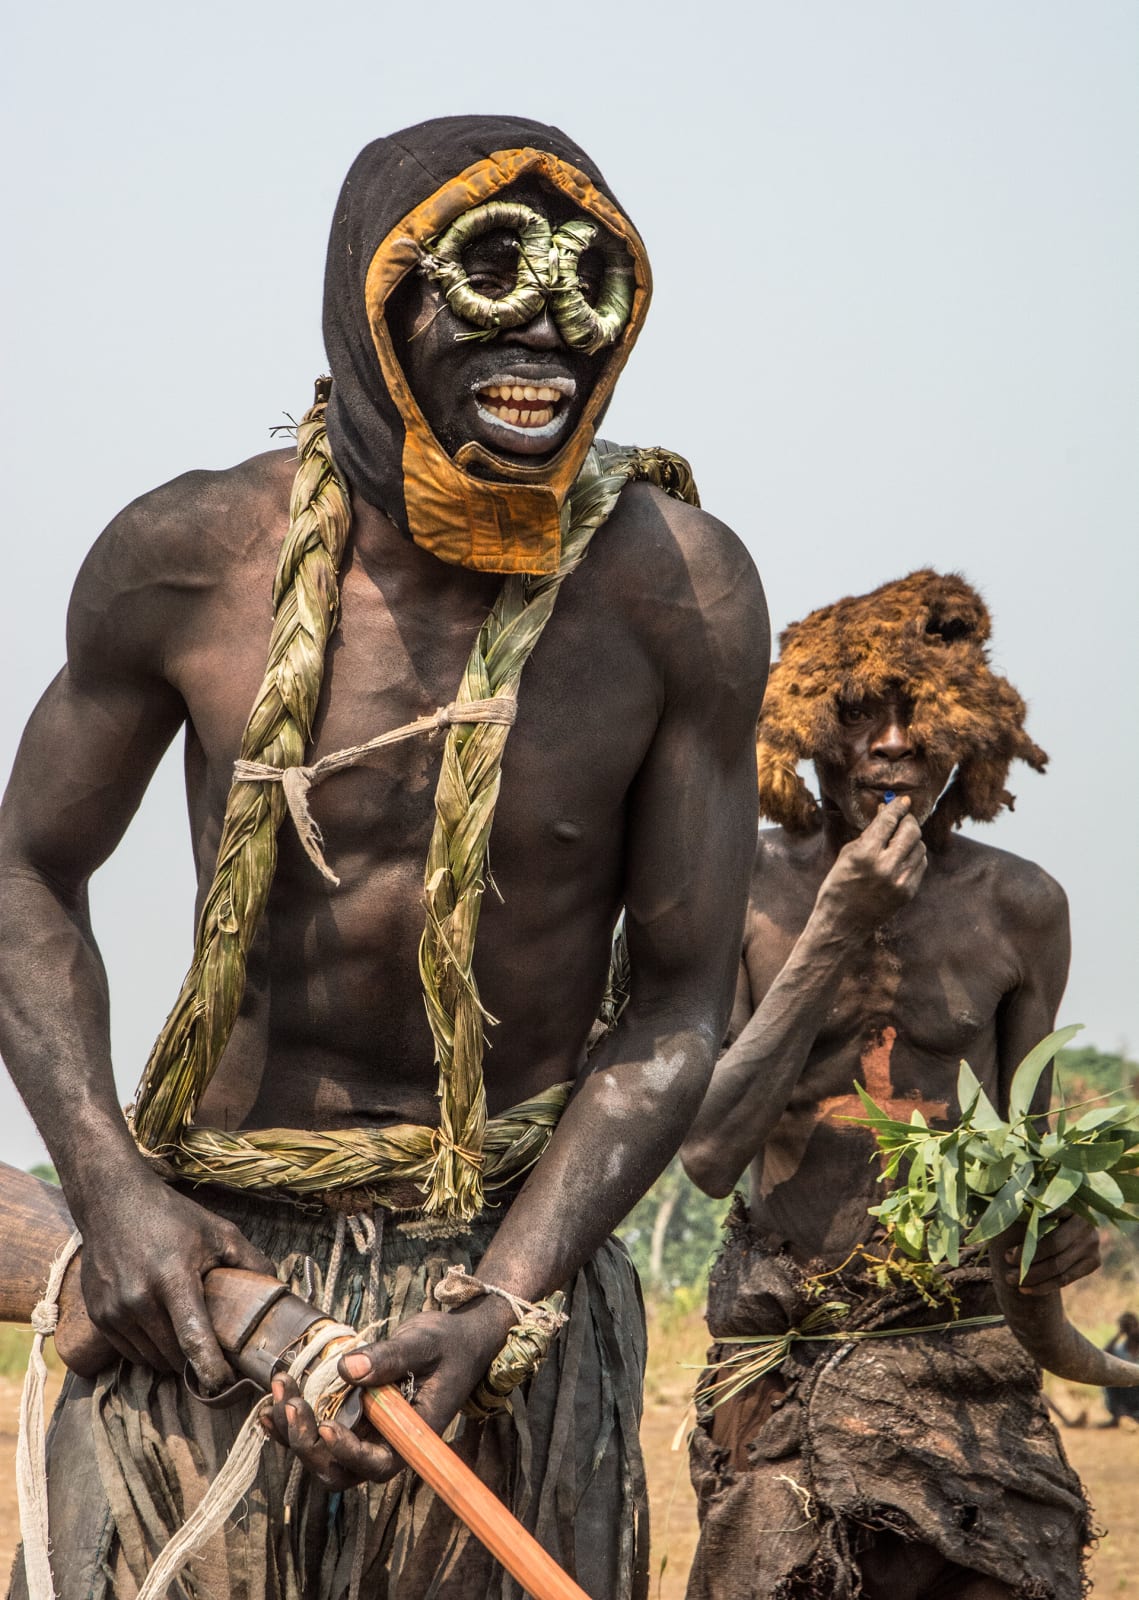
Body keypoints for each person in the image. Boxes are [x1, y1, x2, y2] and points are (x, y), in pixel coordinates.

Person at [0, 116, 768, 1600]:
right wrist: (113, 1192)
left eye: (586, 279)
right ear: (372, 303)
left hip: (506, 1280)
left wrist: (504, 1299)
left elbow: (678, 1004)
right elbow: (23, 871)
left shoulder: (674, 590)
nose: (544, 317)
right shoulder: (191, 557)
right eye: (488, 271)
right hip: (212, 1274)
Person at [680, 570, 1095, 1600]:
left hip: (962, 1357)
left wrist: (1056, 1227)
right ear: (807, 733)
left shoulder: (1020, 907)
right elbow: (704, 1153)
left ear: (972, 734)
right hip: (792, 1355)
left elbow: (1025, 1169)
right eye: (862, 713)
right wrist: (836, 924)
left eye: (924, 714)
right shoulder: (736, 892)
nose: (895, 741)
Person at [1101, 1311, 1139, 1425]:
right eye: (1128, 1326)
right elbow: (1103, 1357)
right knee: (1107, 1378)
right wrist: (1119, 1334)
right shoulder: (1119, 1350)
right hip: (1126, 1397)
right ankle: (1121, 1415)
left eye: (1134, 1325)